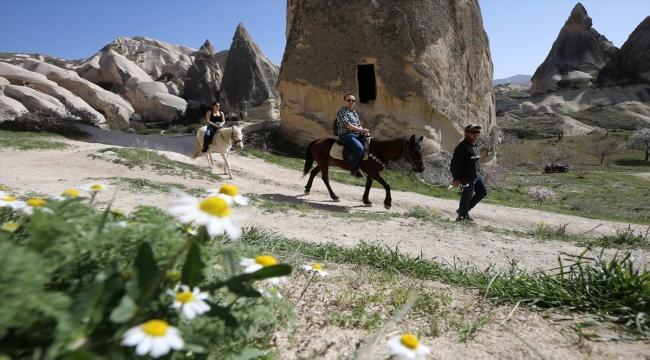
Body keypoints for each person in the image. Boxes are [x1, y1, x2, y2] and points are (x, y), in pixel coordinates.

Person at [450, 124, 488, 221]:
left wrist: (479, 173)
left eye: (478, 132)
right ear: (466, 133)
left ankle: (464, 211)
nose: (476, 134)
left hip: (477, 176)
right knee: (466, 197)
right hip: (466, 177)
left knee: (482, 192)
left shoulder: (474, 144)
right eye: (473, 132)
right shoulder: (462, 147)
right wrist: (456, 178)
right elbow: (455, 164)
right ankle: (462, 217)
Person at [335, 94, 371, 178]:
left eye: (353, 100)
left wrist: (364, 131)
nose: (351, 102)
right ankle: (354, 170)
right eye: (349, 100)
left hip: (357, 134)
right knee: (359, 148)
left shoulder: (354, 112)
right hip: (346, 135)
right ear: (344, 101)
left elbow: (358, 124)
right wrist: (360, 130)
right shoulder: (341, 111)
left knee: (371, 143)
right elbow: (347, 124)